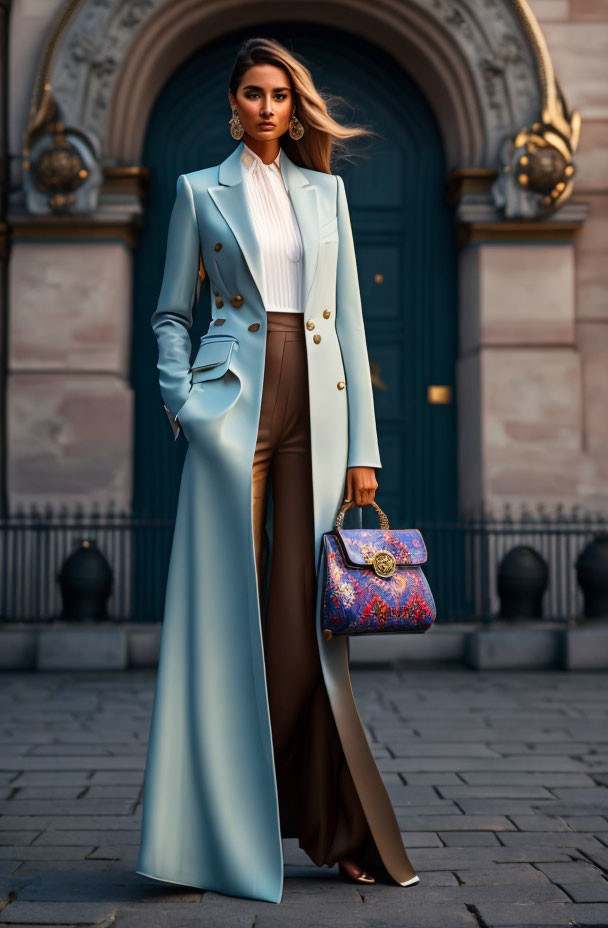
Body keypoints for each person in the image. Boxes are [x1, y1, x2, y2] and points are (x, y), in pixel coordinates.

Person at [137, 36, 418, 904]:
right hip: (233, 413)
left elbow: (355, 325)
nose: (266, 107)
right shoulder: (197, 192)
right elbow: (169, 316)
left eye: (280, 96)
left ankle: (331, 829)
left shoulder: (326, 194)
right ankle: (201, 841)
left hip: (319, 413)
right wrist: (188, 406)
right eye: (253, 94)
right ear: (234, 104)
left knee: (304, 622)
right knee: (221, 618)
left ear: (296, 110)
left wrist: (364, 450)